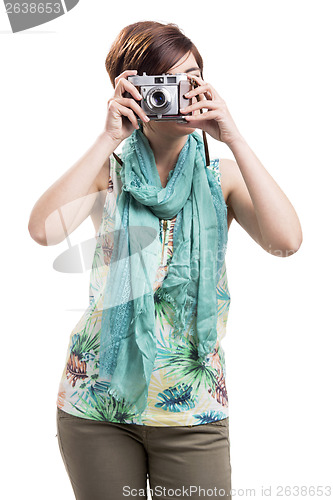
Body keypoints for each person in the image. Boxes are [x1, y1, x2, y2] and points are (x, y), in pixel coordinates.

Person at [28, 20, 303, 500]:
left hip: (192, 409)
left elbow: (288, 241)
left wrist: (234, 136)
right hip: (96, 407)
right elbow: (42, 229)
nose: (183, 94)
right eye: (165, 82)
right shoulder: (105, 174)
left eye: (192, 79)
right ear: (132, 90)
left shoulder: (226, 178)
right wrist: (106, 137)